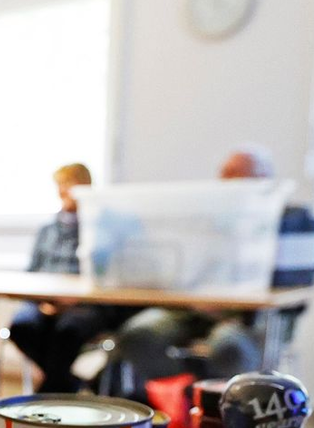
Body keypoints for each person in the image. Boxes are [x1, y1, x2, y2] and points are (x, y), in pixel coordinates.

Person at [113, 145, 309, 392]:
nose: (224, 181)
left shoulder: (290, 220)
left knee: (229, 347)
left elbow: (293, 283)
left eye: (234, 174)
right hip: (191, 307)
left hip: (247, 316)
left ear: (262, 179)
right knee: (138, 335)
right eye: (223, 173)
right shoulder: (207, 216)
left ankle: (223, 409)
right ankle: (183, 398)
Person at [8, 163, 133, 393]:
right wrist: (44, 300)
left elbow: (109, 274)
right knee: (22, 327)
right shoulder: (48, 229)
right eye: (60, 185)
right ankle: (69, 384)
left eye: (69, 185)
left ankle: (50, 392)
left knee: (67, 330)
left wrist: (74, 299)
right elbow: (32, 271)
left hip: (87, 302)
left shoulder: (103, 228)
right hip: (45, 301)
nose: (63, 191)